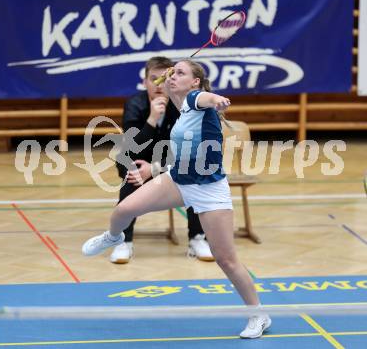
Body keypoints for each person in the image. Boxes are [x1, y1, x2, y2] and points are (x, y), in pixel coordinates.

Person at [82, 60, 271, 338]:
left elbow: (205, 96)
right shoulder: (180, 107)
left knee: (226, 259)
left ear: (195, 82)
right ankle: (114, 237)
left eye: (179, 73)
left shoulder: (196, 100)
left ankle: (259, 315)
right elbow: (176, 136)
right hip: (177, 179)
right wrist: (153, 169)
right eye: (171, 73)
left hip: (208, 188)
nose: (172, 77)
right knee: (124, 209)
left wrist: (217, 98)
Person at [111, 56, 214, 263]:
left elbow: (186, 152)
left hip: (168, 162)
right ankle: (123, 241)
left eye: (164, 77)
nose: (158, 84)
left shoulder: (183, 107)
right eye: (153, 78)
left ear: (172, 81)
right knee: (133, 174)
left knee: (194, 177)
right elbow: (131, 148)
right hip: (135, 160)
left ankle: (197, 238)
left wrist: (155, 168)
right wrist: (151, 120)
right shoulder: (134, 104)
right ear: (145, 82)